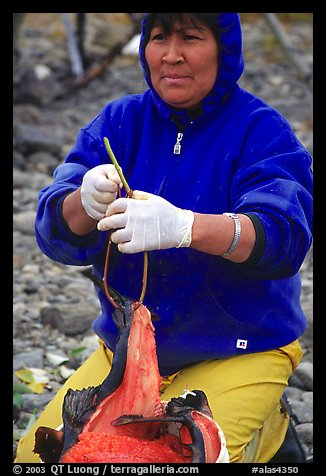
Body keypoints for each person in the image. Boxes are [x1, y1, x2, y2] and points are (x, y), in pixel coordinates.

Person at [15, 13, 313, 463]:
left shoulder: (261, 130)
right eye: (158, 38)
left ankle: (266, 432)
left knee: (169, 459)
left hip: (240, 350)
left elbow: (283, 236)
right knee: (39, 457)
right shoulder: (119, 122)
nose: (171, 54)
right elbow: (54, 232)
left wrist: (186, 228)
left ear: (224, 50)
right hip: (128, 352)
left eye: (191, 38)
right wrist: (82, 202)